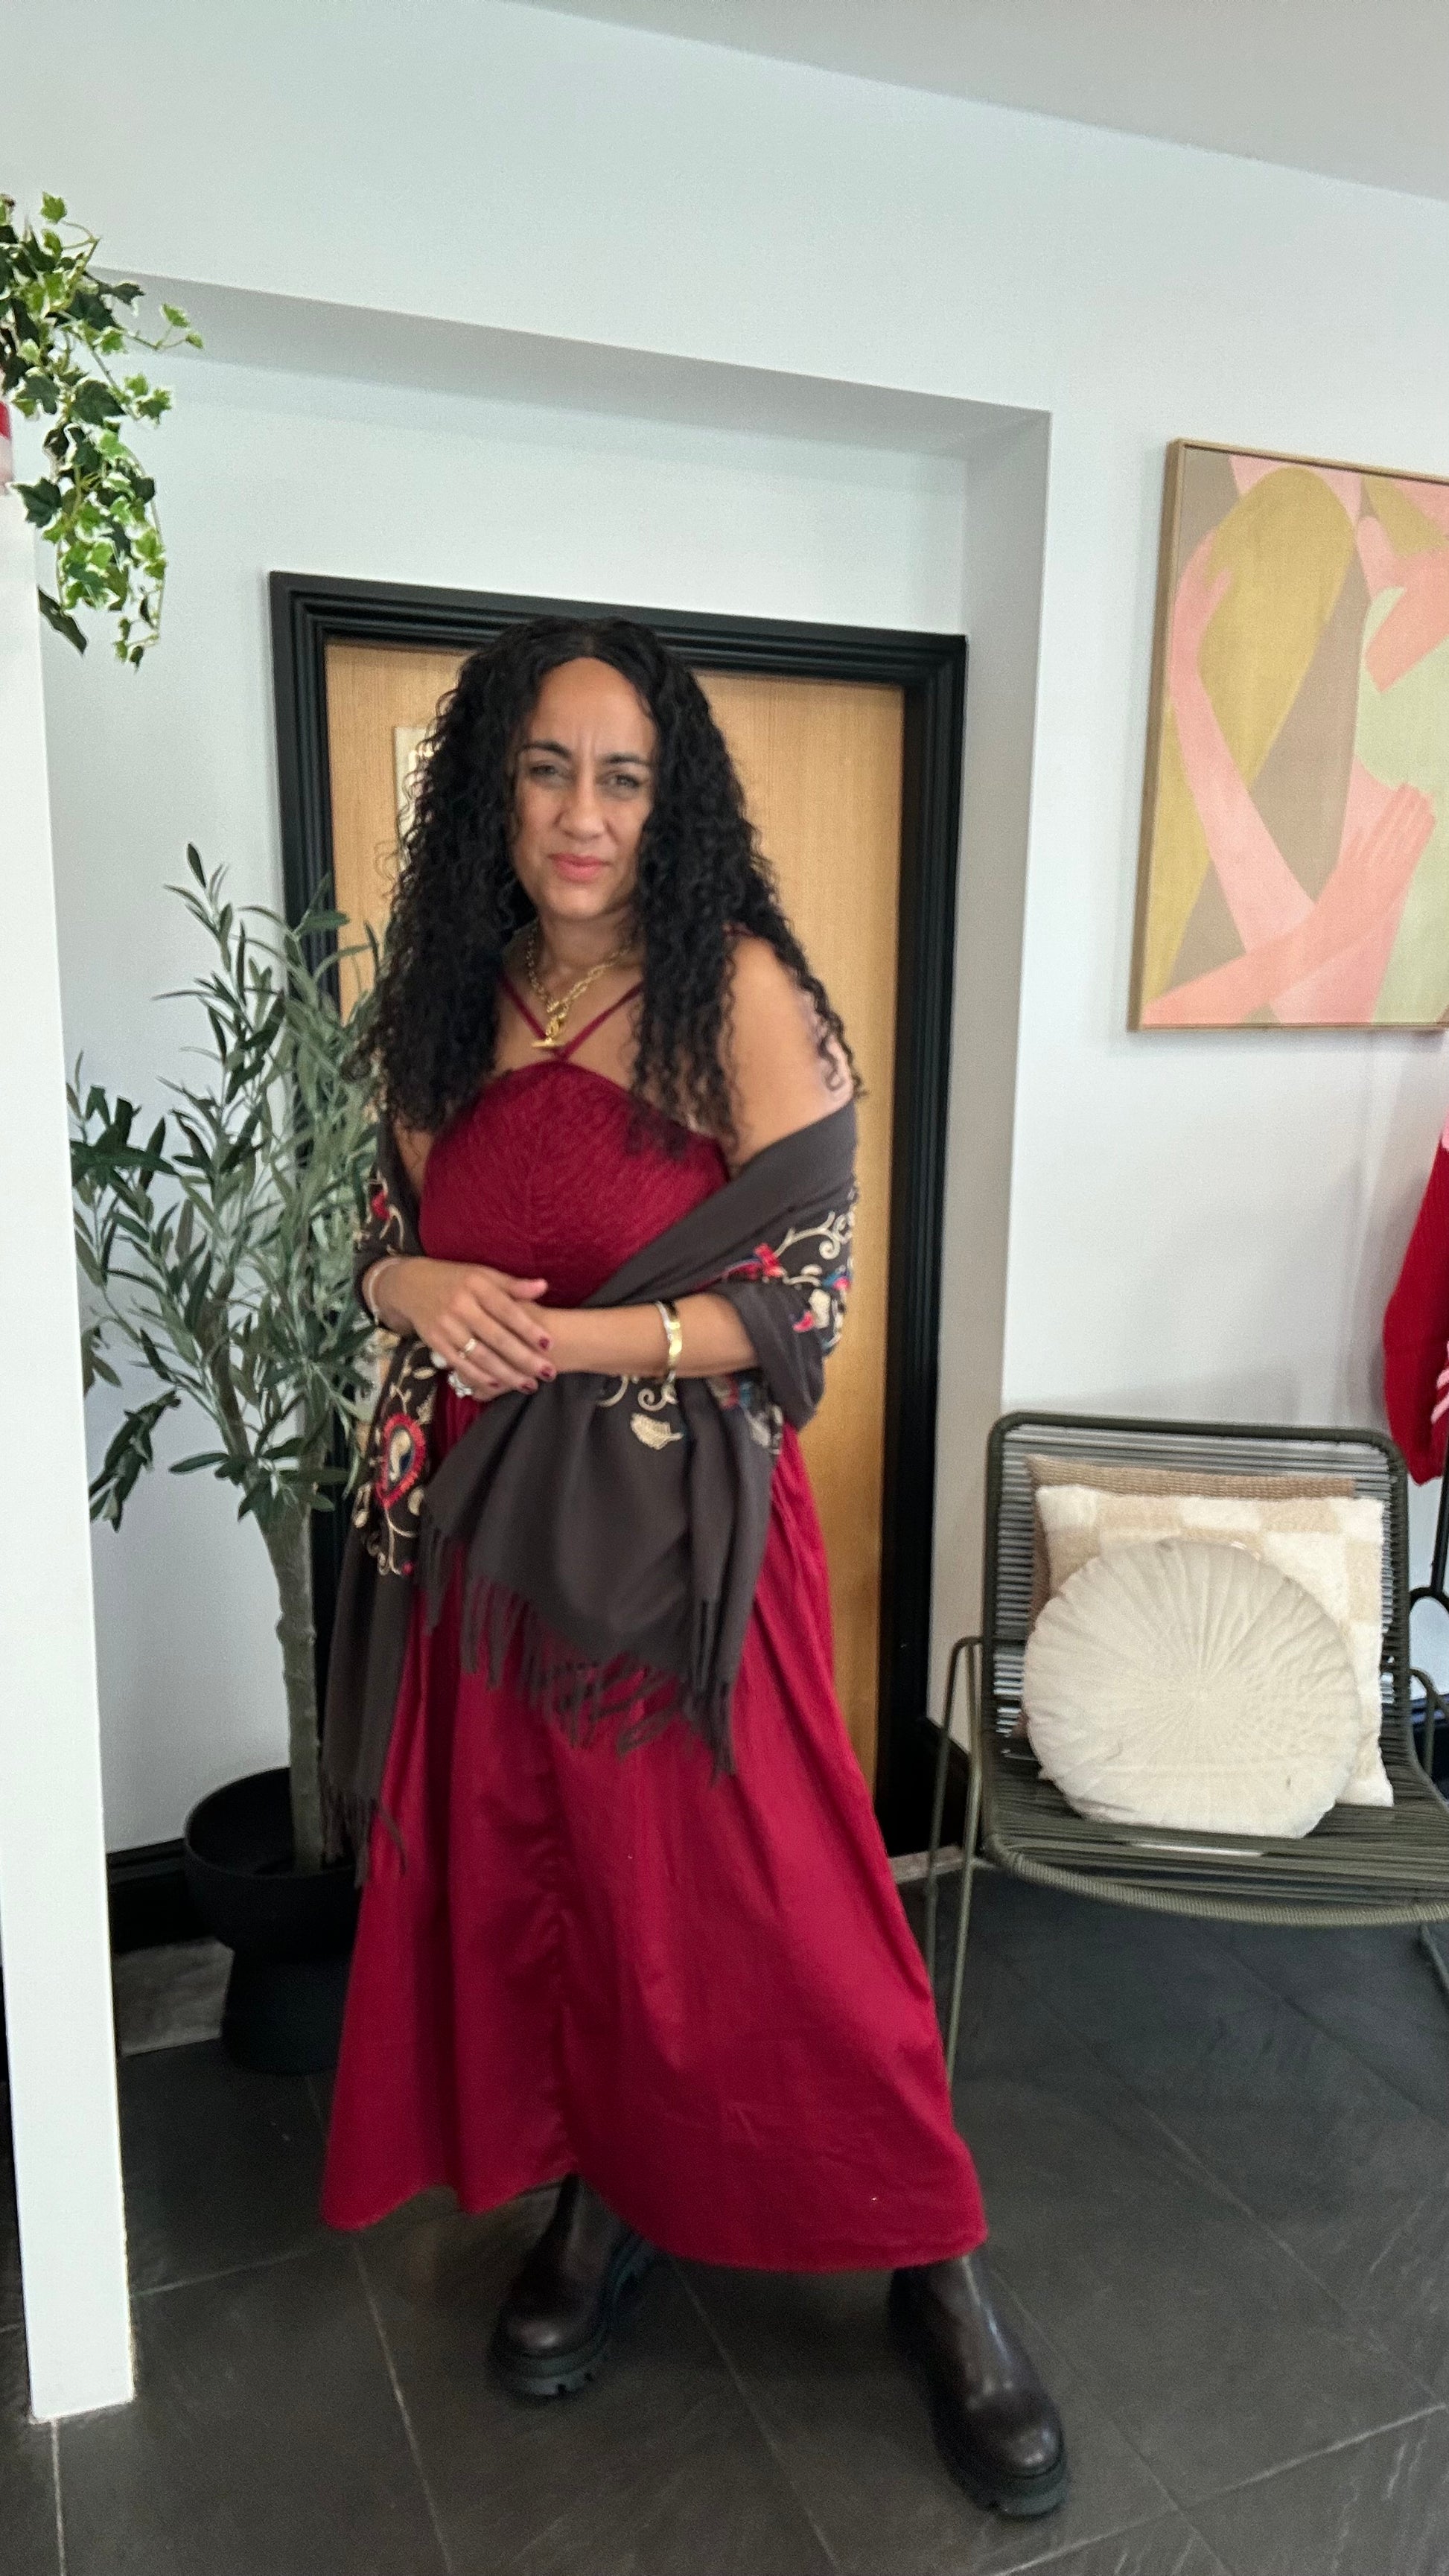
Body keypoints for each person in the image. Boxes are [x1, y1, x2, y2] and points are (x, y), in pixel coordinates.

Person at [320, 615, 1067, 2522]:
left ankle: (931, 2251)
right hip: (499, 1557)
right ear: (493, 788)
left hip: (685, 1539)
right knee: (571, 1891)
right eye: (547, 768)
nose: (582, 813)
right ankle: (608, 2195)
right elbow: (378, 1235)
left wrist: (559, 1341)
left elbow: (803, 1297)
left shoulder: (731, 988)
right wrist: (409, 1280)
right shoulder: (441, 996)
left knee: (786, 1900)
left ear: (671, 804)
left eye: (623, 776)